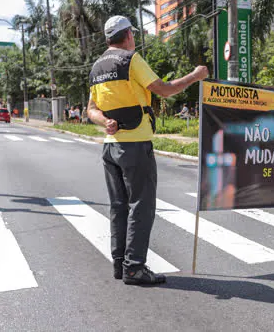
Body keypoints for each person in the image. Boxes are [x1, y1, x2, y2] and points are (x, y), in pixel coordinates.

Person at [86, 15, 208, 285]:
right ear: (128, 35)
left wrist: (105, 121)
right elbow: (164, 90)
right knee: (141, 206)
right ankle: (135, 267)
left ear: (109, 39)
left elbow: (90, 110)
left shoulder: (96, 67)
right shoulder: (131, 60)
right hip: (135, 145)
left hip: (110, 148)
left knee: (119, 207)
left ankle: (120, 265)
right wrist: (196, 76)